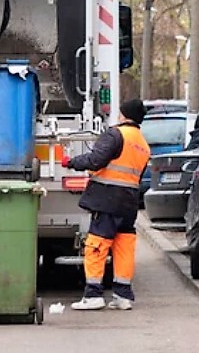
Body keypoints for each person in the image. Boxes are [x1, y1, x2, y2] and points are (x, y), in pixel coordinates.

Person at [62, 99, 151, 311]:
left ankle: (93, 294)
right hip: (129, 202)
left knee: (97, 245)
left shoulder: (116, 134)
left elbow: (95, 160)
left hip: (108, 199)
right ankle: (122, 295)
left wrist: (71, 162)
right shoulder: (143, 144)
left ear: (123, 114)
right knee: (123, 246)